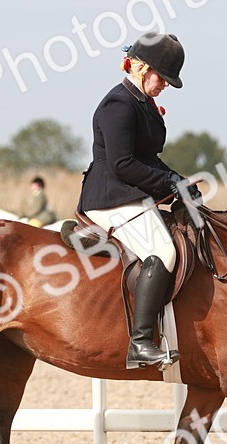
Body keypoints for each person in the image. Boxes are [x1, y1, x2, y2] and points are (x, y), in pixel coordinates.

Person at [76, 32, 200, 369]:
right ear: (142, 68)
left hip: (131, 193)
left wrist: (180, 184)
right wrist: (168, 181)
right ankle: (141, 342)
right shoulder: (118, 104)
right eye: (163, 78)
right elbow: (122, 164)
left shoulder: (142, 103)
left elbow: (149, 159)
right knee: (164, 251)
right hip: (111, 196)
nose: (166, 87)